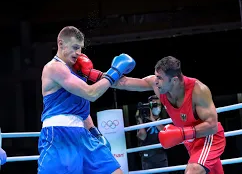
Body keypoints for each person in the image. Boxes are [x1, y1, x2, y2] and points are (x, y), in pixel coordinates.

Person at [38, 26, 136, 174]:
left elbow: (81, 108)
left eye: (81, 48)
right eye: (75, 47)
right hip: (59, 135)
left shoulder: (78, 71)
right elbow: (91, 93)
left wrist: (95, 132)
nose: (79, 53)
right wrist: (115, 70)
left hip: (83, 134)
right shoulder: (54, 68)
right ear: (61, 43)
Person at [111, 56, 226, 174]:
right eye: (156, 76)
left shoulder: (198, 90)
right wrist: (99, 76)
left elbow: (212, 126)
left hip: (209, 138)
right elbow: (123, 83)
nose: (155, 81)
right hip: (190, 142)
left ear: (174, 80)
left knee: (193, 170)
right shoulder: (159, 87)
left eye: (160, 78)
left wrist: (181, 133)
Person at [136, 95, 168, 173]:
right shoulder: (143, 121)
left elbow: (166, 133)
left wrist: (153, 120)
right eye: (153, 105)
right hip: (147, 156)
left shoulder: (164, 120)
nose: (156, 107)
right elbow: (142, 137)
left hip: (160, 156)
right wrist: (140, 121)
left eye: (157, 105)